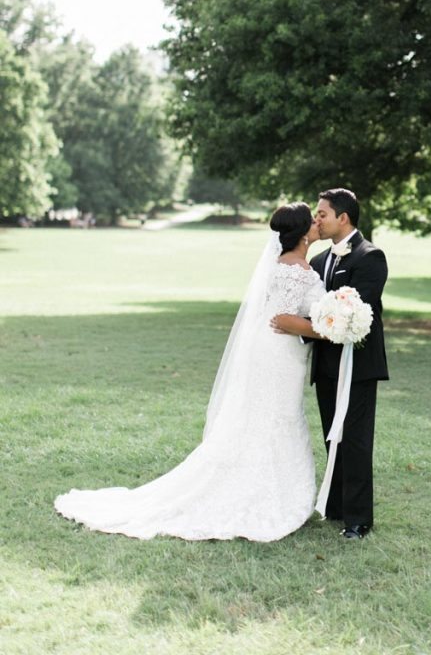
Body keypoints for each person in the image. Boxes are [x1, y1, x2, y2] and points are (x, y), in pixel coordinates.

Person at [54, 202, 325, 542]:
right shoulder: (297, 269)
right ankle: (264, 494)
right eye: (312, 221)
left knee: (265, 417)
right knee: (274, 417)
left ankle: (262, 485)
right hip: (277, 354)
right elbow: (283, 319)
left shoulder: (281, 263)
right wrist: (330, 328)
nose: (317, 224)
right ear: (301, 233)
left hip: (272, 351)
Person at [271, 188, 388, 540]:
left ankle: (358, 519)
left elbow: (357, 314)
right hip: (325, 365)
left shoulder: (371, 257)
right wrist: (298, 327)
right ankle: (336, 507)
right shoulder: (320, 261)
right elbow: (314, 310)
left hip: (358, 366)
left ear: (343, 218)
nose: (317, 220)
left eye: (322, 214)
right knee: (331, 438)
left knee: (355, 440)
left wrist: (304, 325)